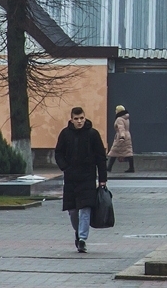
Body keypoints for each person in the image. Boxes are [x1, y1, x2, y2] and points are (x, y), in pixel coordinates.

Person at [54, 106, 108, 253]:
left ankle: (83, 239)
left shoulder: (93, 134)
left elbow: (101, 158)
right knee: (72, 211)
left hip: (88, 177)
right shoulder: (65, 134)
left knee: (85, 208)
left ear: (85, 118)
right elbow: (58, 153)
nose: (79, 121)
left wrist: (102, 179)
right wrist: (65, 167)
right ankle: (78, 233)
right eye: (76, 119)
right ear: (71, 119)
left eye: (81, 118)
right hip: (71, 178)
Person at [106, 104, 134, 173]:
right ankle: (131, 168)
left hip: (121, 136)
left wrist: (122, 136)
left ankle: (109, 168)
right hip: (127, 135)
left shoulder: (119, 119)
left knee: (114, 151)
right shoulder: (126, 118)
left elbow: (121, 128)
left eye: (116, 110)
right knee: (128, 152)